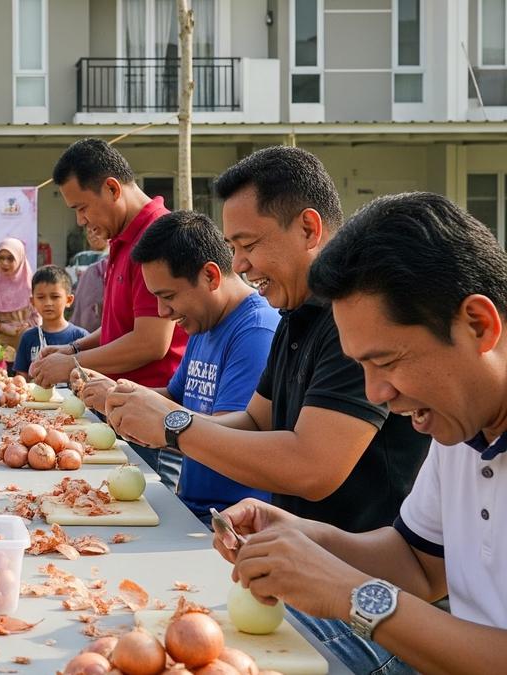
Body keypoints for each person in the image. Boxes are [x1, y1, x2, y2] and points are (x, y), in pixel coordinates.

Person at [102, 147, 429, 675]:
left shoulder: (358, 321)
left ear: (308, 228)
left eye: (249, 245)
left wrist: (177, 426)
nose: (242, 265)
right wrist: (160, 422)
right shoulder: (295, 313)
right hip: (303, 570)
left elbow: (314, 468)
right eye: (234, 248)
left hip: (358, 600)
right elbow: (256, 420)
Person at [214, 191, 507, 675]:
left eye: (387, 362)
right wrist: (304, 540)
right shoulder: (459, 425)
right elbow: (417, 563)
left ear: (478, 325)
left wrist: (349, 594)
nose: (376, 394)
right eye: (360, 367)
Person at [81, 211, 277, 512]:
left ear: (210, 276)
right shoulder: (203, 322)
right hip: (192, 505)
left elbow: (235, 433)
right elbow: (175, 397)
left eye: (168, 296)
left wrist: (159, 422)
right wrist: (119, 395)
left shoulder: (256, 331)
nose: (162, 312)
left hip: (235, 519)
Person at [30, 139, 187, 482]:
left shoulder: (158, 236)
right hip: (120, 409)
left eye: (83, 207)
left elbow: (150, 342)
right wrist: (73, 347)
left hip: (152, 419)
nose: (81, 220)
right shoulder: (122, 238)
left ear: (112, 189)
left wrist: (70, 364)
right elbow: (120, 327)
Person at [15, 266, 89, 379]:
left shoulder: (81, 337)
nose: (48, 303)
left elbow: (89, 376)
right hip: (37, 397)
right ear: (32, 301)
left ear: (69, 300)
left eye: (55, 297)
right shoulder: (28, 337)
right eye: (41, 297)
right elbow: (21, 378)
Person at [0, 237, 37, 351]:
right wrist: (4, 328)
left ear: (20, 259)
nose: (5, 263)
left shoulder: (32, 288)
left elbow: (40, 317)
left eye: (10, 258)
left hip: (29, 343)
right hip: (2, 348)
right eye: (1, 258)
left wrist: (27, 326)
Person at [69, 228, 108, 332]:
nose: (93, 235)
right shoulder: (81, 257)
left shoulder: (111, 258)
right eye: (89, 232)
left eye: (96, 231)